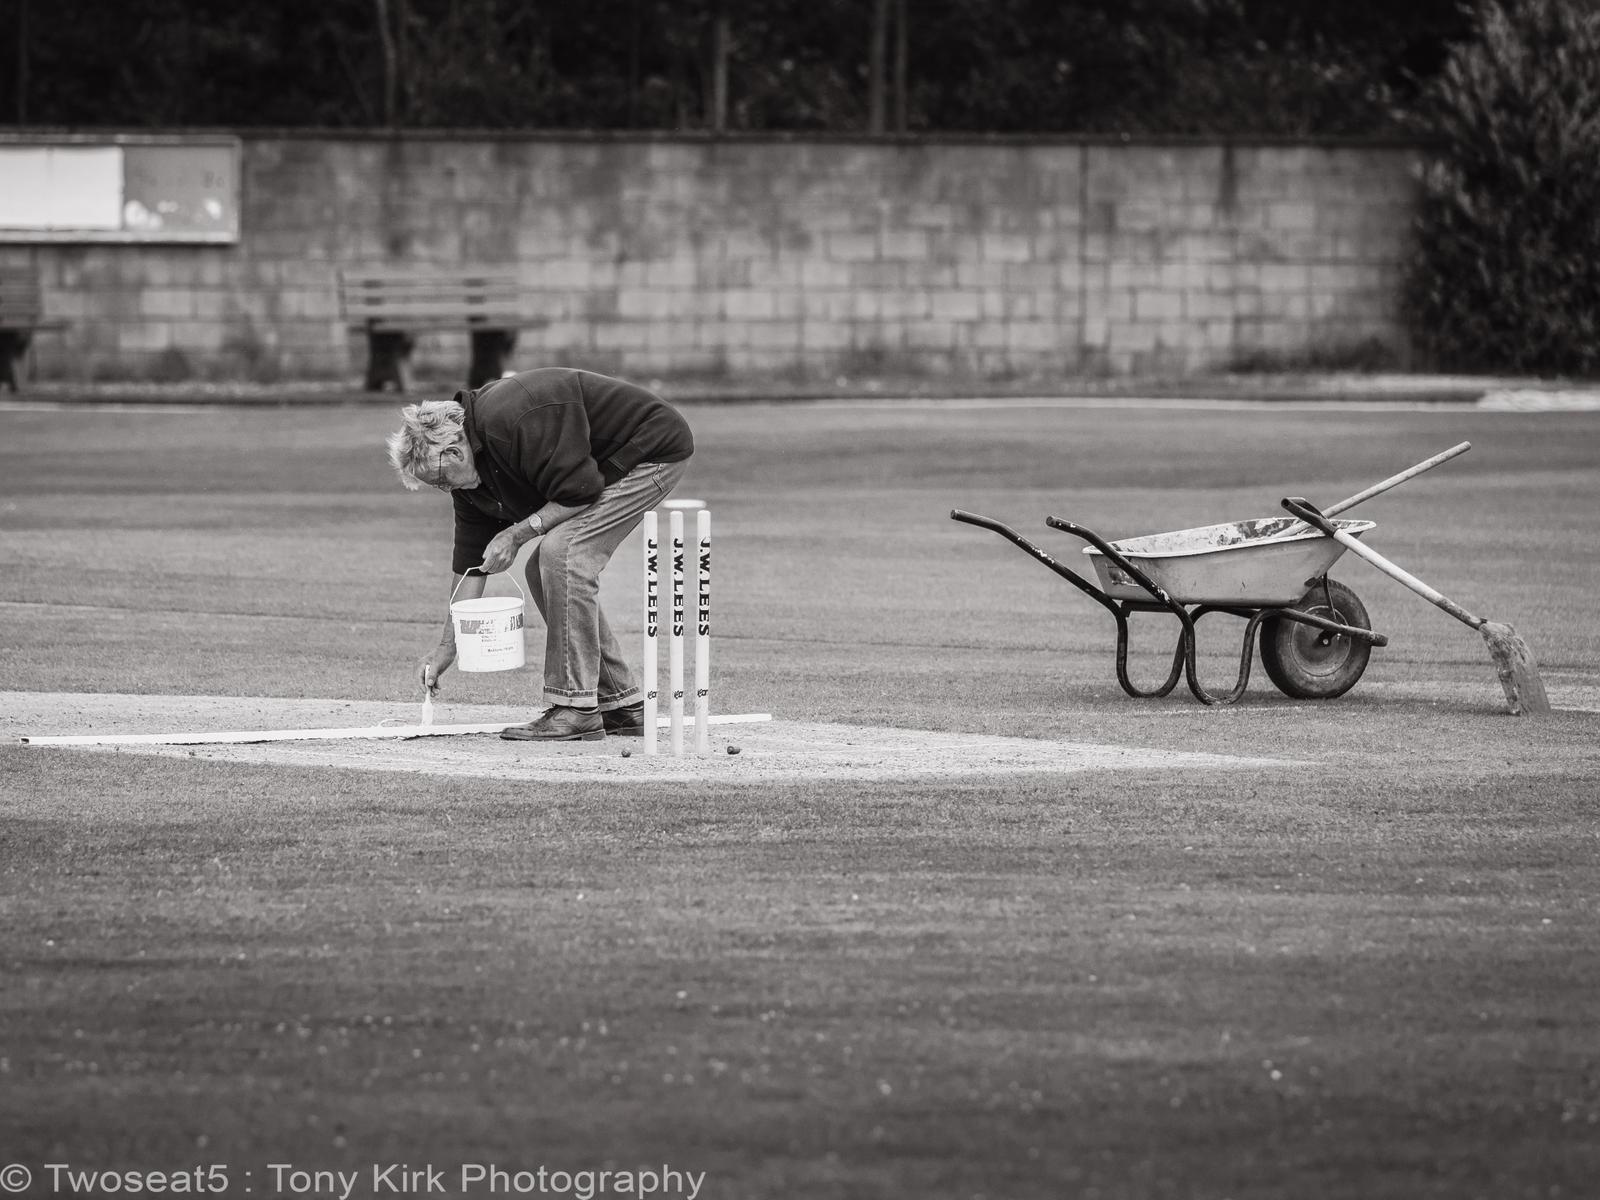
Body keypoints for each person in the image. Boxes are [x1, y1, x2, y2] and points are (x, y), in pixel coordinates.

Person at [386, 368, 694, 741]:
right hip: (599, 469)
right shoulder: (467, 479)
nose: (443, 489)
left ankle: (575, 707)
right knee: (544, 567)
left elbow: (579, 490)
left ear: (454, 450)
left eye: (439, 480)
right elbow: (470, 567)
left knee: (562, 554)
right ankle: (620, 705)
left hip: (650, 449)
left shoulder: (511, 420)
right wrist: (447, 648)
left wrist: (516, 534)